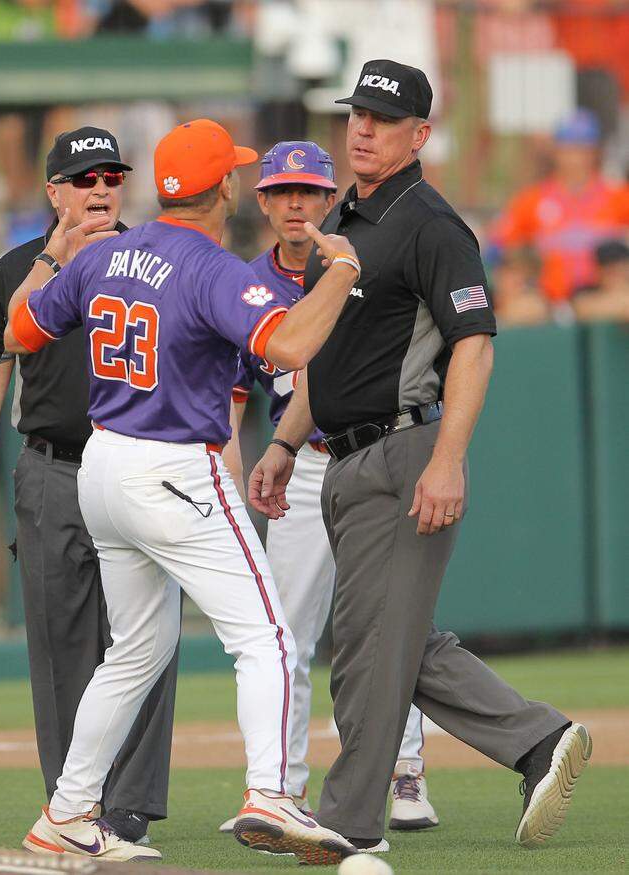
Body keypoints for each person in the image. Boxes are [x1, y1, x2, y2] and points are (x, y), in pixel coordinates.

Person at [249, 59, 590, 853]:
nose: (364, 127)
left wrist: (448, 458)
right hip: (339, 458)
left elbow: (475, 345)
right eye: (357, 113)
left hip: (403, 448)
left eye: (383, 118)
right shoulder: (342, 223)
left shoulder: (432, 224)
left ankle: (346, 822)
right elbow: (325, 358)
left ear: (420, 134)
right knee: (394, 637)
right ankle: (541, 739)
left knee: (370, 650)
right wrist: (284, 438)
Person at [4, 118, 364, 865]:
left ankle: (67, 810)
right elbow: (290, 345)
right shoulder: (214, 267)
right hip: (172, 465)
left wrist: (50, 253)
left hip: (101, 467)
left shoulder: (104, 254)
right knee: (265, 635)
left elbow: (18, 331)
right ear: (224, 187)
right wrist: (341, 274)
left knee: (138, 647)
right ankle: (268, 791)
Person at [0, 126, 178, 846]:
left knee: (145, 636)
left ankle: (131, 804)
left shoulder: (159, 260)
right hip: (53, 464)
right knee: (59, 644)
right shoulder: (20, 268)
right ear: (55, 192)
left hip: (140, 461)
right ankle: (71, 802)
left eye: (112, 177)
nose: (101, 190)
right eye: (85, 179)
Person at [217, 140, 438, 835]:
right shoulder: (243, 281)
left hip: (373, 449)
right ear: (261, 200)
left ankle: (405, 772)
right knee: (282, 631)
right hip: (300, 463)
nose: (295, 204)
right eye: (281, 192)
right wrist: (239, 476)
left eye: (308, 192)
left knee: (389, 624)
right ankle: (280, 787)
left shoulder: (359, 256)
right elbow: (231, 400)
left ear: (327, 197)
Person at [491, 108, 629, 305]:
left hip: (601, 299)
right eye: (569, 147)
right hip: (547, 301)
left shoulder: (617, 194)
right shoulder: (533, 198)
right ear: (556, 150)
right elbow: (498, 246)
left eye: (583, 148)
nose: (575, 157)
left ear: (596, 151)